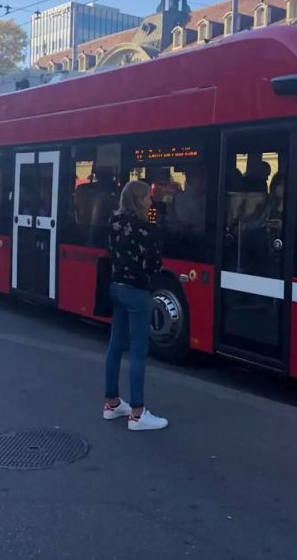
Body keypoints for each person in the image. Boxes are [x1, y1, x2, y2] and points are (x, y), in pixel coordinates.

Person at [103, 180, 168, 431]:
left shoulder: (114, 223)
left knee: (115, 344)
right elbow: (154, 263)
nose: (151, 202)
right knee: (139, 349)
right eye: (147, 198)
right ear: (139, 199)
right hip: (136, 291)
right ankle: (138, 414)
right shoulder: (145, 228)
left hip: (115, 287)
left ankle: (112, 403)